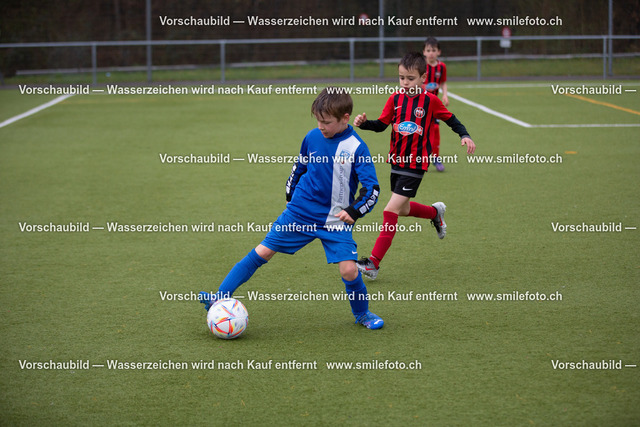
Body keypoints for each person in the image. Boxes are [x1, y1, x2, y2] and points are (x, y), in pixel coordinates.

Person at [199, 87, 384, 329]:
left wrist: (354, 210)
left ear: (345, 118)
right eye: (318, 120)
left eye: (326, 122)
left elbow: (372, 189)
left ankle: (363, 314)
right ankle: (219, 297)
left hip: (334, 220)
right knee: (263, 252)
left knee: (349, 270)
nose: (321, 126)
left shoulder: (357, 147)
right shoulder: (312, 137)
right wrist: (290, 193)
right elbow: (299, 167)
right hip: (300, 212)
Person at [353, 52, 475, 280]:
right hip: (396, 162)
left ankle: (373, 263)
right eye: (401, 78)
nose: (405, 83)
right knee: (403, 209)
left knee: (390, 211)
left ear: (423, 78)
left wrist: (464, 135)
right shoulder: (394, 99)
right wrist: (364, 124)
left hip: (416, 164)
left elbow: (451, 119)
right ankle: (434, 213)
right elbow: (382, 125)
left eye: (410, 78)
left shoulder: (430, 101)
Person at [423, 37, 448, 172]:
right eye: (428, 50)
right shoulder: (421, 66)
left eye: (433, 50)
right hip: (420, 104)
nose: (431, 53)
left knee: (436, 129)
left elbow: (443, 82)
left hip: (434, 105)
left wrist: (445, 95)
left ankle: (436, 158)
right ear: (424, 52)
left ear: (439, 52)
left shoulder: (441, 67)